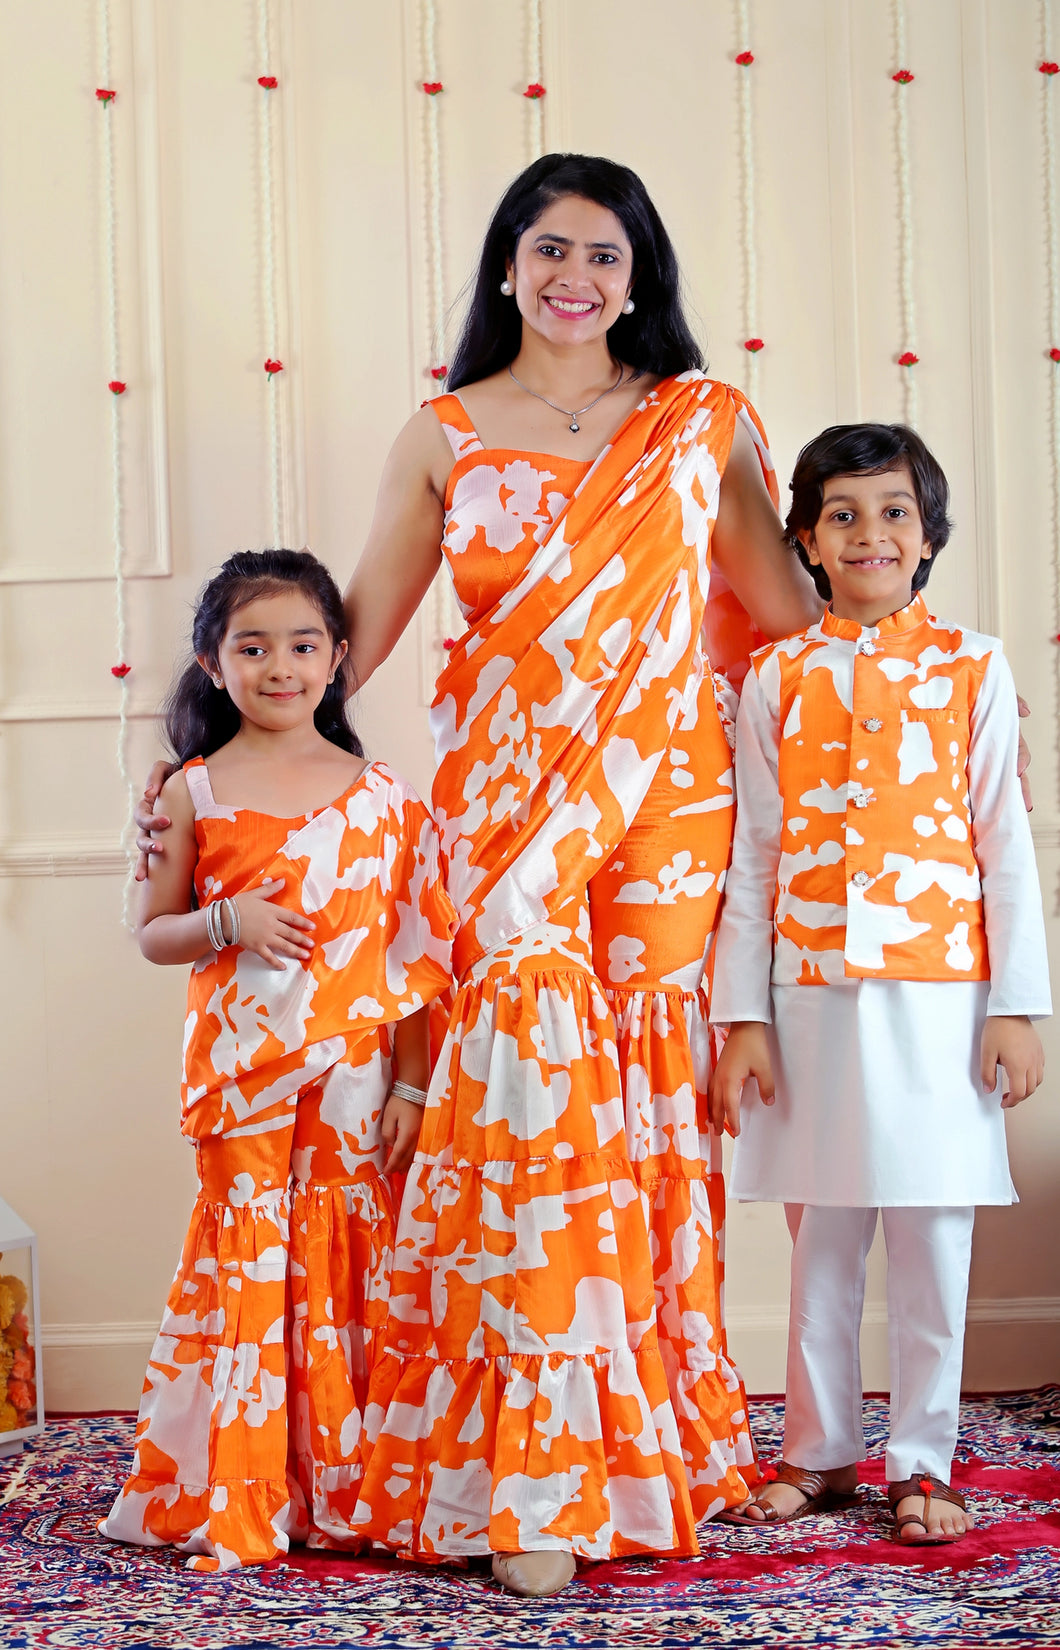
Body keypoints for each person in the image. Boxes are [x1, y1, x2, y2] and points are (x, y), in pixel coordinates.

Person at [336, 153, 825, 1596]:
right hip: (500, 816)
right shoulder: (444, 432)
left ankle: (650, 1426)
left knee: (643, 1099)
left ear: (638, 279)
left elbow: (783, 617)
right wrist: (218, 769)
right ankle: (514, 1460)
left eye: (606, 258)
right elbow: (362, 628)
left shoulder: (699, 424)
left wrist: (920, 719)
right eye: (550, 249)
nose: (576, 278)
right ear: (505, 265)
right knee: (520, 1108)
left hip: (665, 804)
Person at [708, 424, 1050, 1543]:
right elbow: (750, 854)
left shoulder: (972, 666)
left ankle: (921, 1458)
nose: (868, 534)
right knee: (821, 1232)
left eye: (892, 511)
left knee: (928, 1235)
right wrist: (743, 1018)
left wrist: (1014, 1007)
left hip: (941, 998)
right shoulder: (774, 677)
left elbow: (1002, 840)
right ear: (804, 538)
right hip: (807, 998)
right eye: (842, 515)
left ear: (926, 533)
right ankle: (817, 1452)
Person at [101, 550, 455, 1572]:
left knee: (343, 1265)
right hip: (239, 1074)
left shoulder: (383, 798)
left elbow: (415, 961)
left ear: (338, 658)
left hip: (350, 1076)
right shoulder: (190, 790)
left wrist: (411, 1082)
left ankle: (336, 1483)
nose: (279, 666)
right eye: (251, 647)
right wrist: (226, 918)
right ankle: (236, 1488)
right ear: (214, 664)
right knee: (248, 1262)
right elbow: (152, 932)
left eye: (303, 645)